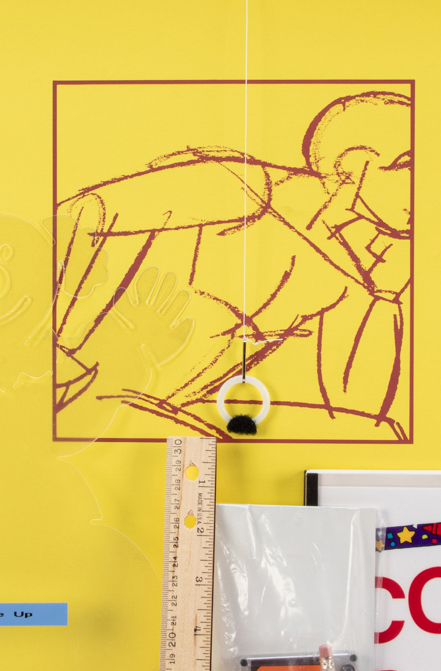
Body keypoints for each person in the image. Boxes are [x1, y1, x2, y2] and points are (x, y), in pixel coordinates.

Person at [53, 89, 413, 440]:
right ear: (354, 164)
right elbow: (84, 211)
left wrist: (386, 301)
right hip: (80, 379)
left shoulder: (347, 276)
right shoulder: (247, 186)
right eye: (408, 165)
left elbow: (361, 410)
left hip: (155, 411)